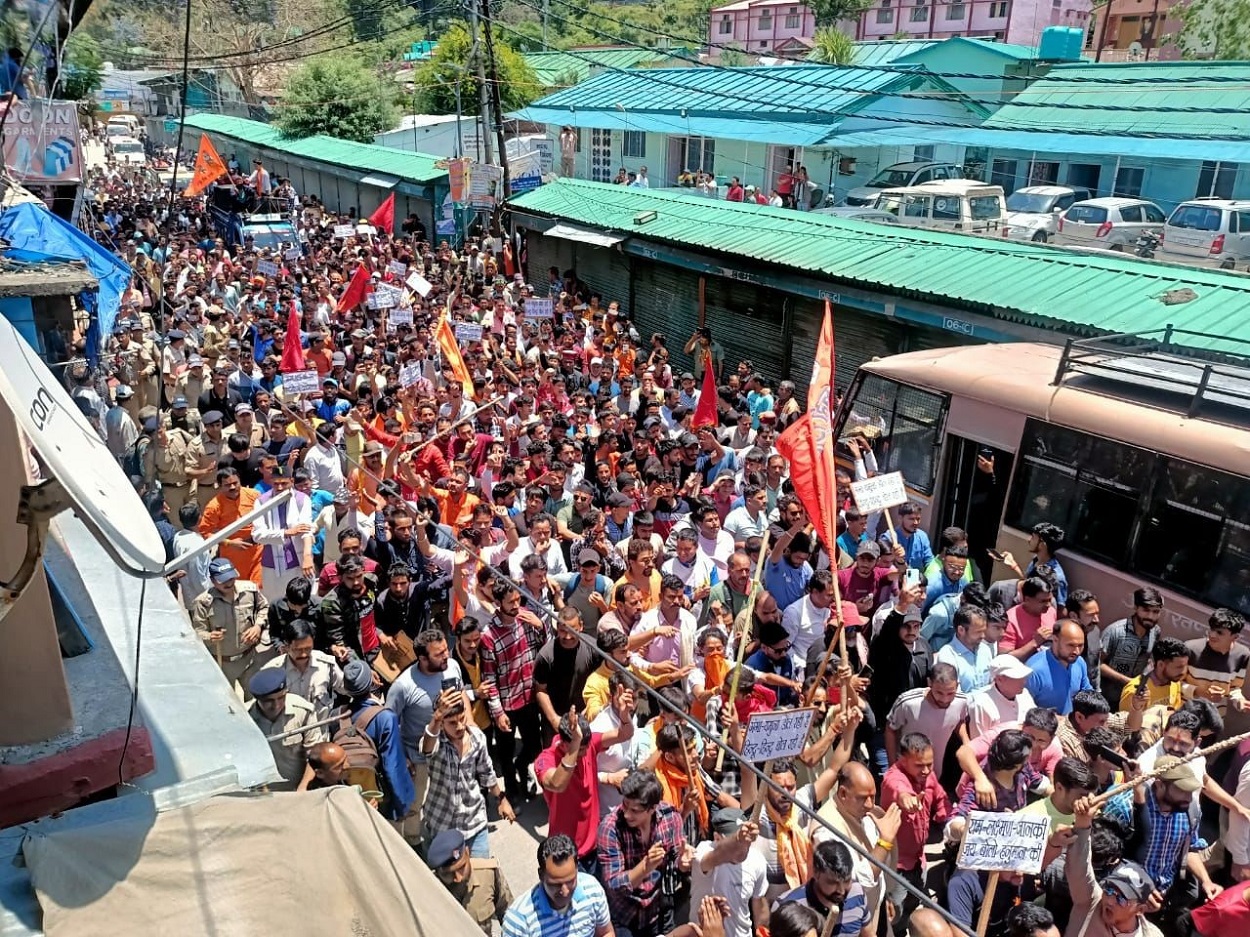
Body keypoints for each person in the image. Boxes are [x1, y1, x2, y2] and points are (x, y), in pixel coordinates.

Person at [421, 685, 514, 856]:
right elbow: (426, 748)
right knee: (446, 879)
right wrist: (435, 719)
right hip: (441, 825)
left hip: (474, 822)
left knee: (484, 876)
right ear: (441, 724)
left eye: (462, 719)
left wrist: (502, 799)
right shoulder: (436, 742)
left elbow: (487, 773)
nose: (459, 726)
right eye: (452, 723)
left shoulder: (477, 738)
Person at [597, 768, 691, 937]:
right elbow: (613, 884)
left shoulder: (670, 817)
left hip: (657, 910)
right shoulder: (609, 828)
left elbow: (677, 858)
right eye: (625, 805)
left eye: (635, 810)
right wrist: (645, 867)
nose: (626, 814)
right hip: (624, 915)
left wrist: (683, 863)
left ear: (653, 808)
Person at [1066, 795, 1163, 937]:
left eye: (1121, 899)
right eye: (1109, 891)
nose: (1110, 901)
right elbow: (1078, 869)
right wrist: (1083, 822)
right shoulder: (1091, 903)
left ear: (1140, 909)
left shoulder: (1152, 935)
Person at [339, 658, 414, 825]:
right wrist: (402, 806)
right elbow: (393, 764)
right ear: (370, 683)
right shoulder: (385, 717)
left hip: (348, 798)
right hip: (381, 799)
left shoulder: (335, 716)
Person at [501, 834, 614, 937]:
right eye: (555, 885)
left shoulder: (592, 891)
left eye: (570, 881)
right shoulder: (519, 920)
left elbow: (606, 932)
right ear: (541, 875)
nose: (565, 891)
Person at [190, 557, 271, 699]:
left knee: (256, 698)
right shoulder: (203, 602)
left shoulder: (250, 591)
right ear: (213, 580)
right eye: (223, 580)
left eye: (231, 578)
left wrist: (258, 626)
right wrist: (210, 637)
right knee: (226, 702)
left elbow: (264, 607)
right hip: (222, 663)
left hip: (249, 659)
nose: (228, 583)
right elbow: (197, 633)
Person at [688, 808, 768, 937]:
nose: (743, 847)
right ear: (717, 838)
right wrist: (738, 840)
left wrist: (762, 931)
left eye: (746, 841)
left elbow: (759, 903)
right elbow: (721, 854)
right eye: (737, 840)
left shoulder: (757, 860)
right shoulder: (703, 851)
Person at [246, 667, 324, 790]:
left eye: (281, 697)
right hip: (263, 791)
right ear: (257, 699)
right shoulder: (246, 719)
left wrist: (302, 788)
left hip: (298, 787)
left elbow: (315, 755)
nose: (276, 705)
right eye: (269, 701)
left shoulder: (303, 711)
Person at [427, 828, 515, 936]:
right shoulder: (430, 890)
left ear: (468, 852)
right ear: (438, 872)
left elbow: (509, 912)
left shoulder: (487, 873)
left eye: (462, 867)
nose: (458, 878)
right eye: (449, 874)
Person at [776, 840, 873, 937]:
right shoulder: (786, 906)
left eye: (847, 881)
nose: (841, 891)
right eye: (833, 882)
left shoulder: (857, 894)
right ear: (816, 873)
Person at [1099, 588, 1164, 711]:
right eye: (1145, 610)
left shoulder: (1155, 632)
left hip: (1131, 702)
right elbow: (1096, 664)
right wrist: (1126, 681)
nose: (1150, 616)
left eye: (1156, 612)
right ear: (1135, 608)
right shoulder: (1115, 631)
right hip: (1105, 699)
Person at [1186, 608, 1249, 710]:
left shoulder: (1242, 655)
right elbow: (1174, 683)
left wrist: (1239, 701)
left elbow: (1233, 687)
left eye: (1219, 632)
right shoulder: (1191, 648)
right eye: (1212, 629)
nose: (1212, 634)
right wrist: (1199, 692)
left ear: (1235, 637)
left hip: (1215, 717)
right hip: (1186, 712)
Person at [1026, 621, 1092, 715]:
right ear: (1055, 640)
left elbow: (1087, 693)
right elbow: (1024, 710)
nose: (1077, 651)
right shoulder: (1034, 671)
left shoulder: (1079, 662)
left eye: (1080, 645)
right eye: (1071, 645)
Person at [966, 655, 1036, 738]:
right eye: (1018, 677)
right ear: (999, 680)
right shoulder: (981, 704)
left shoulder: (1025, 694)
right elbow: (978, 742)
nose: (1023, 681)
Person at [1119, 637, 1188, 712]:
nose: (1183, 672)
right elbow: (1126, 722)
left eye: (1185, 666)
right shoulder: (1136, 692)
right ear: (1160, 664)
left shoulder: (1174, 681)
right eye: (1179, 667)